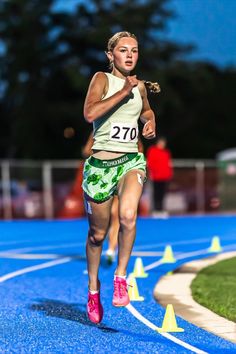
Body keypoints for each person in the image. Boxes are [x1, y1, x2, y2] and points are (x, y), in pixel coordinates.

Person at [82, 31, 156, 324]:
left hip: (130, 162)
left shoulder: (140, 88)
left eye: (134, 50)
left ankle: (121, 277)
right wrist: (123, 91)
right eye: (123, 50)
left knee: (127, 217)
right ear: (110, 55)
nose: (129, 55)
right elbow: (89, 114)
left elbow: (147, 111)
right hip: (100, 167)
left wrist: (149, 122)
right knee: (97, 235)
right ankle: (93, 289)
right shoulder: (102, 79)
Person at [82, 131, 144, 264]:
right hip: (103, 177)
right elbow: (86, 151)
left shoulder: (127, 124)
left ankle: (111, 249)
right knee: (101, 226)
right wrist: (102, 158)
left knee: (117, 214)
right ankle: (101, 243)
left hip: (122, 175)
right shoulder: (98, 129)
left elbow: (139, 149)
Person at [146, 136, 173, 217]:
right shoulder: (152, 150)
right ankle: (156, 210)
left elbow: (168, 164)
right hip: (156, 176)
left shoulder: (166, 152)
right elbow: (149, 163)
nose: (162, 144)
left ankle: (161, 210)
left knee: (162, 194)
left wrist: (169, 174)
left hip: (164, 177)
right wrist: (150, 173)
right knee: (156, 194)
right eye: (161, 142)